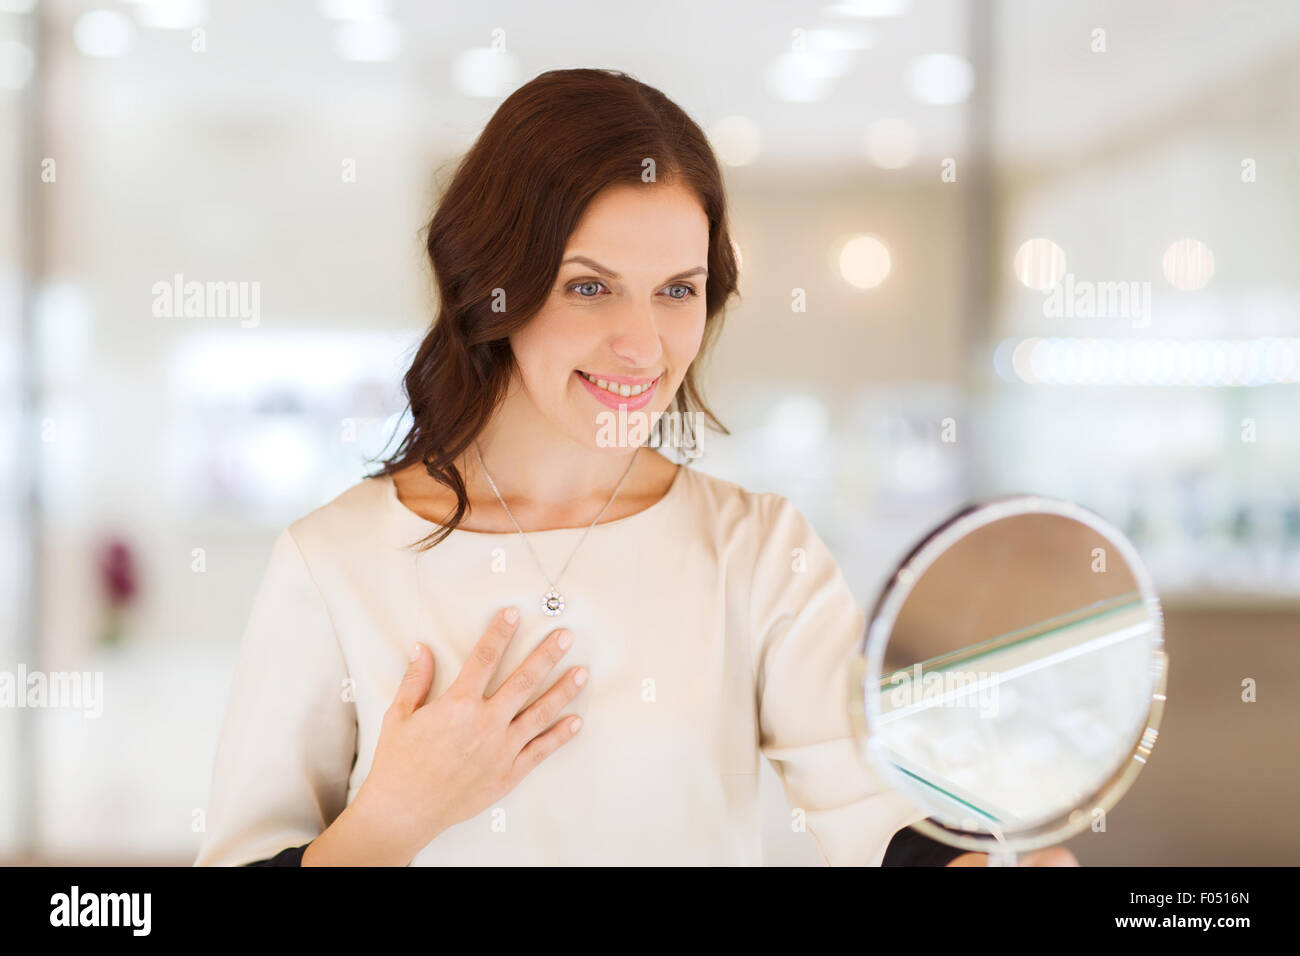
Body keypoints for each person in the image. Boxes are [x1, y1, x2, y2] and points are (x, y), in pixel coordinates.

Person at [194, 68, 1076, 868]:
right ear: (492, 279)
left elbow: (877, 811)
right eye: (589, 286)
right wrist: (390, 820)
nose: (644, 345)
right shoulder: (334, 560)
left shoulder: (759, 551)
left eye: (677, 290)